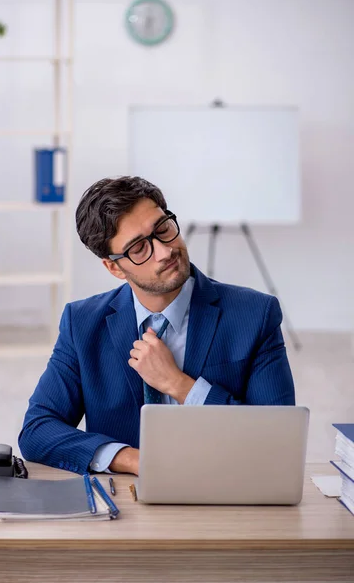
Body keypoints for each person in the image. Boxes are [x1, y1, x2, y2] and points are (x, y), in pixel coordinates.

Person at [18, 176, 295, 476]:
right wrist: (135, 460)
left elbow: (277, 440)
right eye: (139, 248)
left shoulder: (255, 314)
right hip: (128, 502)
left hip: (228, 489)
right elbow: (37, 430)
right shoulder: (82, 323)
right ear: (114, 267)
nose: (165, 251)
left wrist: (180, 385)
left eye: (163, 228)